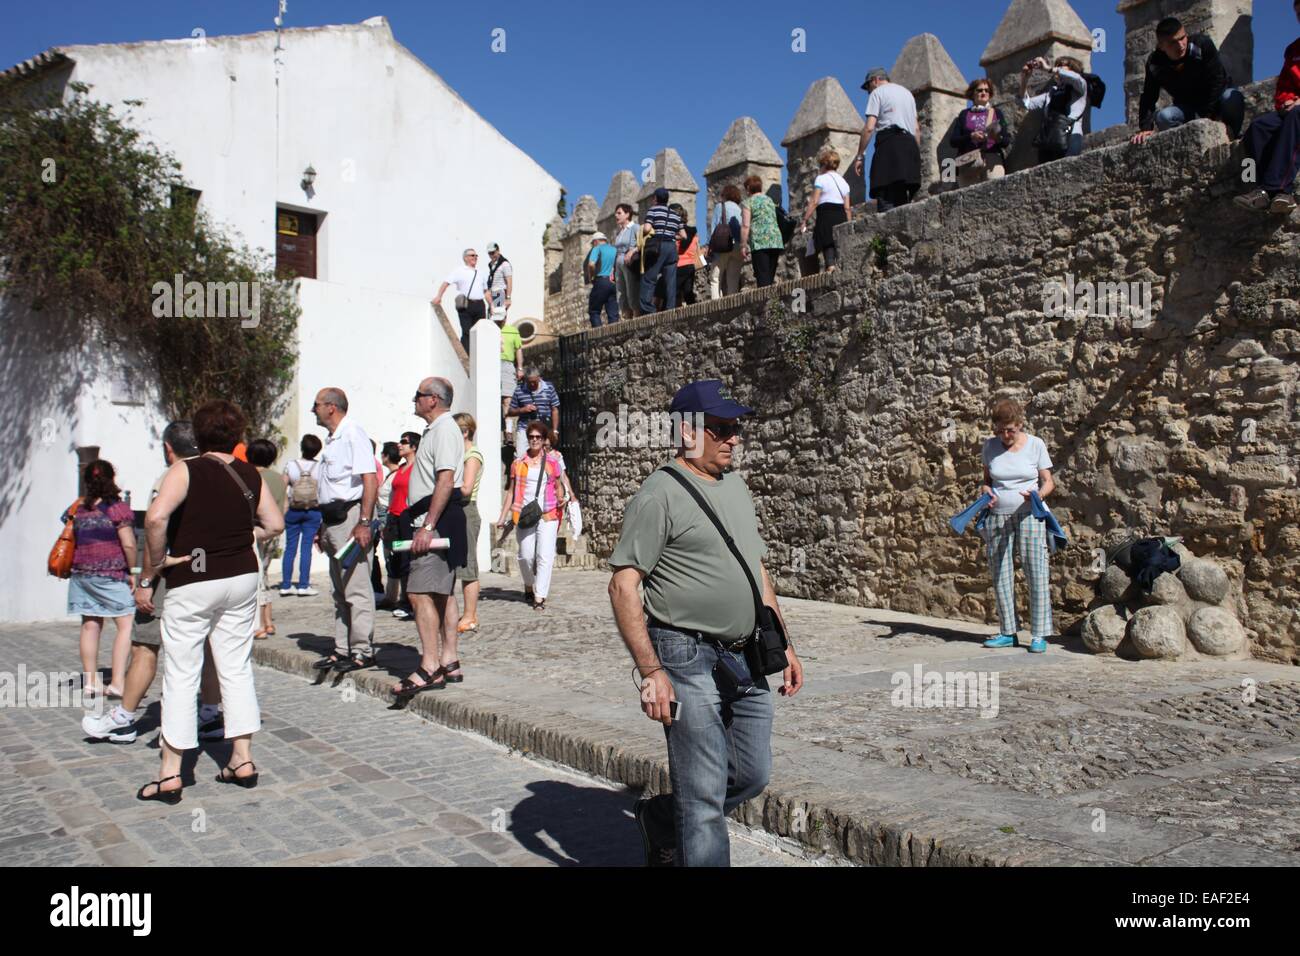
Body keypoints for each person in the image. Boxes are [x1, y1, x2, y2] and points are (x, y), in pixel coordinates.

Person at [608, 379, 804, 867]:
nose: (733, 437)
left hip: (745, 652)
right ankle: (686, 827)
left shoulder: (736, 486)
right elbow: (623, 586)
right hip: (683, 653)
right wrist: (653, 673)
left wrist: (787, 645)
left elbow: (756, 571)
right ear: (687, 432)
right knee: (702, 796)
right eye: (721, 428)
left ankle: (659, 819)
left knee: (752, 774)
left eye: (735, 427)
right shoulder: (658, 495)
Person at [137, 399, 284, 802]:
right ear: (237, 436)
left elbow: (154, 518)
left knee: (183, 671)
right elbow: (274, 523)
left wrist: (154, 566)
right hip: (240, 577)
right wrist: (243, 537)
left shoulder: (185, 470)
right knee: (234, 667)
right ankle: (242, 758)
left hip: (194, 577)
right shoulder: (249, 473)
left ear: (198, 435)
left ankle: (171, 771)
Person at [82, 421, 222, 744]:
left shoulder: (171, 477)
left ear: (168, 448)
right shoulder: (214, 474)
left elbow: (157, 527)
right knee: (209, 643)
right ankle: (210, 714)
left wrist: (146, 579)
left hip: (172, 570)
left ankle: (125, 717)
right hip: (209, 569)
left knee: (145, 644)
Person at [391, 377, 468, 697]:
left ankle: (429, 665)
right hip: (435, 519)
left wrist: (426, 525)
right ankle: (448, 660)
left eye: (419, 395)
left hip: (434, 521)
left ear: (433, 399)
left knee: (420, 593)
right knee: (442, 594)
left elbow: (446, 480)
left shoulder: (445, 430)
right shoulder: (438, 430)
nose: (414, 399)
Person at [309, 387, 379, 672]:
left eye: (316, 405)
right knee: (339, 590)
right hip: (332, 519)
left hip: (350, 518)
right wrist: (321, 527)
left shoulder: (352, 434)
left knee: (357, 587)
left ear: (331, 407)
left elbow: (369, 480)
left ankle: (362, 649)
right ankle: (343, 647)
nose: (313, 410)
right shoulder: (333, 439)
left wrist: (364, 522)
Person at [979, 398, 1056, 654]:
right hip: (998, 516)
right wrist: (986, 492)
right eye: (1000, 430)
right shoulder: (990, 447)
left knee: (1036, 570)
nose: (1005, 435)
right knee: (1000, 572)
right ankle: (1007, 631)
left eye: (1010, 430)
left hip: (1030, 515)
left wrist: (1037, 496)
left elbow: (1048, 481)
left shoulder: (1035, 445)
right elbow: (987, 480)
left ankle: (1039, 634)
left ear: (1020, 424)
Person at [64, 460, 137, 699]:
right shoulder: (118, 509)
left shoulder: (77, 509)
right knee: (126, 624)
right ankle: (117, 682)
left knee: (90, 624)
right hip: (111, 574)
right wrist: (133, 570)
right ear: (111, 478)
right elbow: (128, 543)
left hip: (81, 574)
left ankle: (91, 682)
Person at [1131, 18, 1245, 145]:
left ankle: (1232, 138)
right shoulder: (1156, 64)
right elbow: (1148, 96)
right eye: (1173, 43)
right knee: (1164, 117)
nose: (1180, 45)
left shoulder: (1201, 46)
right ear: (1161, 46)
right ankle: (1188, 147)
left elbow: (1217, 80)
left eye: (1182, 38)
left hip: (1217, 104)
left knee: (1232, 97)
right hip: (1189, 109)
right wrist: (1146, 128)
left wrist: (1209, 117)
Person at [1234, 1, 1300, 215]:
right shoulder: (1293, 50)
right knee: (1259, 126)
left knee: (1296, 117)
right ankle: (1256, 187)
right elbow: (1283, 88)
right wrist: (1286, 102)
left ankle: (1281, 190)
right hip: (1293, 110)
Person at [497, 422, 567, 612]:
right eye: (531, 437)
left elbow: (559, 485)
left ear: (544, 440)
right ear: (528, 439)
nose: (534, 440)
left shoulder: (552, 463)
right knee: (525, 556)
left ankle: (540, 596)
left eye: (538, 437)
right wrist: (503, 516)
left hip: (548, 514)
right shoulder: (518, 463)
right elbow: (510, 492)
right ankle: (529, 584)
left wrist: (562, 498)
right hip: (524, 514)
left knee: (544, 556)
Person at [853, 67, 921, 212]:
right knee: (904, 201)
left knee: (886, 196)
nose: (868, 92)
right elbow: (916, 129)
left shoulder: (877, 93)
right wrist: (916, 155)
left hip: (889, 146)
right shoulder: (907, 94)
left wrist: (860, 156)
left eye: (868, 87)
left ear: (875, 80)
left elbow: (869, 128)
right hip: (910, 146)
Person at [246, 439, 286, 639]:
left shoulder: (251, 477)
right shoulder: (279, 478)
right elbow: (284, 506)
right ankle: (268, 621)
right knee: (265, 576)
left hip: (256, 532)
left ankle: (259, 624)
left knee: (257, 577)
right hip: (274, 533)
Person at [1020, 56, 1088, 165]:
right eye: (1057, 66)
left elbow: (1075, 78)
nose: (1058, 69)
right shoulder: (1051, 94)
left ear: (1073, 70)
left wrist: (1048, 69)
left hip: (1071, 136)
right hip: (1049, 139)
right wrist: (1024, 79)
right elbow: (1026, 103)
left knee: (1068, 168)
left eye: (1062, 66)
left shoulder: (1080, 86)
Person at [279, 435, 323, 596]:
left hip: (293, 509)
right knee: (306, 548)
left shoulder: (291, 465)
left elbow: (282, 487)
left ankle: (285, 584)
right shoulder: (320, 467)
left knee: (290, 547)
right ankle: (303, 585)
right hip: (313, 510)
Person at [949, 78, 1013, 187]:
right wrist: (971, 136)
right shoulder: (964, 114)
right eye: (980, 90)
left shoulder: (997, 113)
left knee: (996, 193)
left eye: (986, 90)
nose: (983, 92)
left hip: (992, 159)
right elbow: (953, 141)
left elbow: (1006, 141)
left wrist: (996, 138)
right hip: (968, 162)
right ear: (972, 93)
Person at [453, 413, 484, 633]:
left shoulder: (472, 455)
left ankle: (470, 614)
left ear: (465, 432)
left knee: (468, 565)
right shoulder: (460, 454)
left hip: (466, 509)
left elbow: (466, 488)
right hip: (457, 511)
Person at [800, 146, 852, 272]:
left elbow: (814, 201)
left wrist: (805, 219)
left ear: (823, 165)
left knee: (827, 242)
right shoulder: (844, 182)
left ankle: (830, 267)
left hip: (826, 214)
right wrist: (849, 224)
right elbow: (847, 208)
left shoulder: (821, 179)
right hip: (840, 214)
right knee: (838, 243)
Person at [387, 431, 420, 619]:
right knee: (397, 560)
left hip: (408, 518)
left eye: (404, 442)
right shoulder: (400, 468)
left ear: (414, 447)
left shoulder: (418, 468)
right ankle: (403, 598)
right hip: (395, 517)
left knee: (408, 561)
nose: (400, 445)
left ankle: (408, 602)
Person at [433, 248, 488, 354]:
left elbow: (486, 291)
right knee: (467, 331)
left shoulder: (481, 273)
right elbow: (446, 283)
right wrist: (439, 296)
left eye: (476, 255)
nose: (475, 257)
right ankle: (467, 356)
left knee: (481, 332)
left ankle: (479, 355)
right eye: (472, 255)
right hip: (466, 304)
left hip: (480, 305)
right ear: (466, 258)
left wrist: (492, 305)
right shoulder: (459, 271)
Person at [639, 187, 684, 314]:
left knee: (649, 278)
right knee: (670, 280)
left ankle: (649, 309)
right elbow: (683, 235)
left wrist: (641, 232)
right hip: (672, 247)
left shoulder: (653, 210)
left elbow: (647, 229)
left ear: (655, 199)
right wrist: (671, 235)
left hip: (658, 245)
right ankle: (670, 309)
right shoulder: (675, 215)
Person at [507, 368, 561, 460]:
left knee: (547, 456)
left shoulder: (549, 388)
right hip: (524, 428)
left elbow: (555, 409)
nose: (532, 384)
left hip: (544, 428)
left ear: (539, 378)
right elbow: (510, 411)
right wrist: (523, 410)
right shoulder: (519, 390)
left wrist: (555, 430)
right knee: (520, 456)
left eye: (534, 382)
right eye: (529, 382)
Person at [740, 175, 783, 288]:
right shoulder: (769, 200)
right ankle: (773, 303)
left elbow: (745, 225)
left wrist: (743, 245)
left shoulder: (748, 202)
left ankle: (766, 304)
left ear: (748, 188)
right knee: (770, 275)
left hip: (760, 242)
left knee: (762, 277)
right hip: (776, 240)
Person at [375, 440, 402, 609]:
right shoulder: (392, 475)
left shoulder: (395, 476)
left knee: (391, 556)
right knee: (390, 556)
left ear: (386, 456)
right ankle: (392, 594)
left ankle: (393, 596)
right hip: (385, 515)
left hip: (389, 517)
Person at [705, 184, 744, 299]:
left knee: (715, 277)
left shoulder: (720, 207)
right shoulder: (739, 209)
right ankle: (732, 304)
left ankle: (716, 304)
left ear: (725, 195)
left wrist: (709, 246)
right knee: (733, 279)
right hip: (737, 246)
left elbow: (714, 229)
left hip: (723, 245)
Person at [496, 311, 524, 438]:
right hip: (492, 364)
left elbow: (518, 349)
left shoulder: (512, 330)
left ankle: (508, 431)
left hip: (507, 365)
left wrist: (520, 368)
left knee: (508, 399)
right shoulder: (489, 329)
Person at [612, 203, 641, 319]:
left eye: (619, 213)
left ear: (627, 214)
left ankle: (637, 317)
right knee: (621, 292)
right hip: (619, 264)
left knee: (631, 289)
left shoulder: (635, 227)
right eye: (616, 213)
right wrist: (612, 269)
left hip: (629, 263)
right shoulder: (619, 233)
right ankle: (626, 319)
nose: (616, 215)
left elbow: (642, 244)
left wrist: (632, 251)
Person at [585, 232, 619, 328]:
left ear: (596, 241)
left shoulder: (597, 248)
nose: (593, 245)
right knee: (613, 313)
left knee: (594, 310)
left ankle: (598, 335)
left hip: (601, 280)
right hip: (612, 283)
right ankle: (614, 334)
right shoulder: (614, 249)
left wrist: (591, 276)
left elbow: (591, 264)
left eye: (593, 243)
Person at [671, 204, 700, 307]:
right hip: (690, 265)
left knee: (675, 292)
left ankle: (675, 316)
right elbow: (696, 248)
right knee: (688, 292)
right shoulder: (694, 233)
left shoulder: (677, 234)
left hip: (679, 265)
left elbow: (677, 249)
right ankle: (695, 313)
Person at [485, 242, 513, 316]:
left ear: (498, 251)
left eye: (493, 253)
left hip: (499, 293)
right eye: (489, 253)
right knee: (491, 316)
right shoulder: (492, 264)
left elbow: (509, 281)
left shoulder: (504, 264)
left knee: (498, 318)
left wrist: (508, 298)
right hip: (493, 293)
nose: (491, 255)